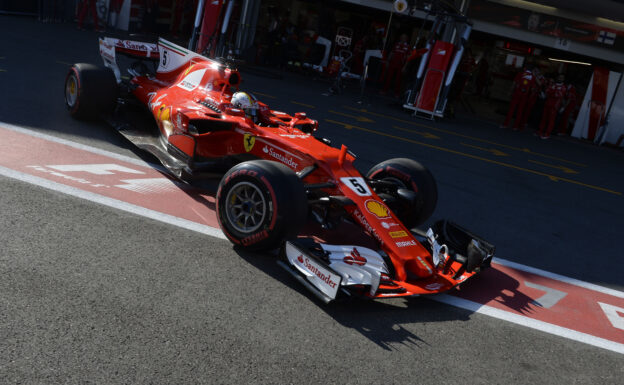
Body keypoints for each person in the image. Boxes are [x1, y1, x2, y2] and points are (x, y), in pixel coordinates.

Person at [501, 64, 535, 130]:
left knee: (511, 109)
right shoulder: (533, 77)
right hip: (524, 95)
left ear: (525, 68)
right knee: (520, 111)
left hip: (517, 93)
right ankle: (515, 126)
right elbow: (533, 89)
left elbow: (514, 83)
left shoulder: (521, 74)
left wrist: (510, 91)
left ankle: (505, 124)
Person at [537, 74, 567, 139]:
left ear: (563, 79)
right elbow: (547, 91)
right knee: (543, 118)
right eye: (559, 77)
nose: (560, 79)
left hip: (554, 106)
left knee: (551, 121)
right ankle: (540, 131)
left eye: (562, 78)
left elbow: (558, 95)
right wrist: (552, 92)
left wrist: (552, 92)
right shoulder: (553, 85)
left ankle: (547, 134)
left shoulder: (563, 87)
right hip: (547, 103)